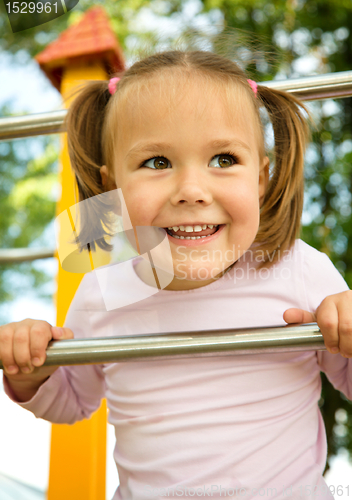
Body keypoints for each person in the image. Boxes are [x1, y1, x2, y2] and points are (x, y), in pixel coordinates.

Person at [1, 49, 352, 500]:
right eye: (157, 163)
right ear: (113, 190)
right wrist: (31, 369)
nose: (191, 191)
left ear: (261, 178)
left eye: (223, 159)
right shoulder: (103, 293)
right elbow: (72, 401)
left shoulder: (299, 269)